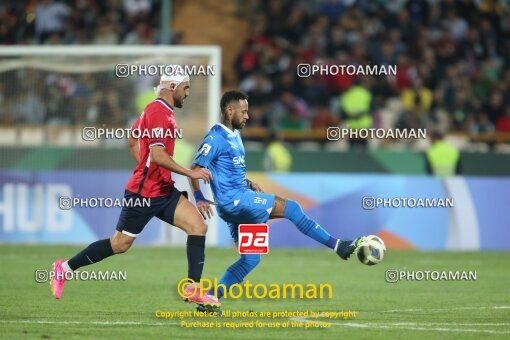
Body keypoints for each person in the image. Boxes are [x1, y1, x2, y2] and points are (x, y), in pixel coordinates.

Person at [51, 71, 219, 308]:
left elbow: (132, 140)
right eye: (186, 88)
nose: (188, 93)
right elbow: (158, 155)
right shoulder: (158, 112)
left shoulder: (158, 111)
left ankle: (193, 289)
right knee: (120, 244)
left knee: (198, 226)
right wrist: (189, 173)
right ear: (173, 86)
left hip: (163, 190)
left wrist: (145, 167)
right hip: (143, 194)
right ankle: (64, 268)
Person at [189, 90, 368, 305]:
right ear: (229, 111)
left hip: (238, 200)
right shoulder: (215, 137)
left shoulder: (234, 134)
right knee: (291, 208)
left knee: (251, 259)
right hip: (236, 202)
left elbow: (227, 171)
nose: (247, 116)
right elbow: (195, 168)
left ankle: (210, 298)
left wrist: (247, 183)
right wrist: (199, 197)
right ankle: (338, 245)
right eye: (243, 112)